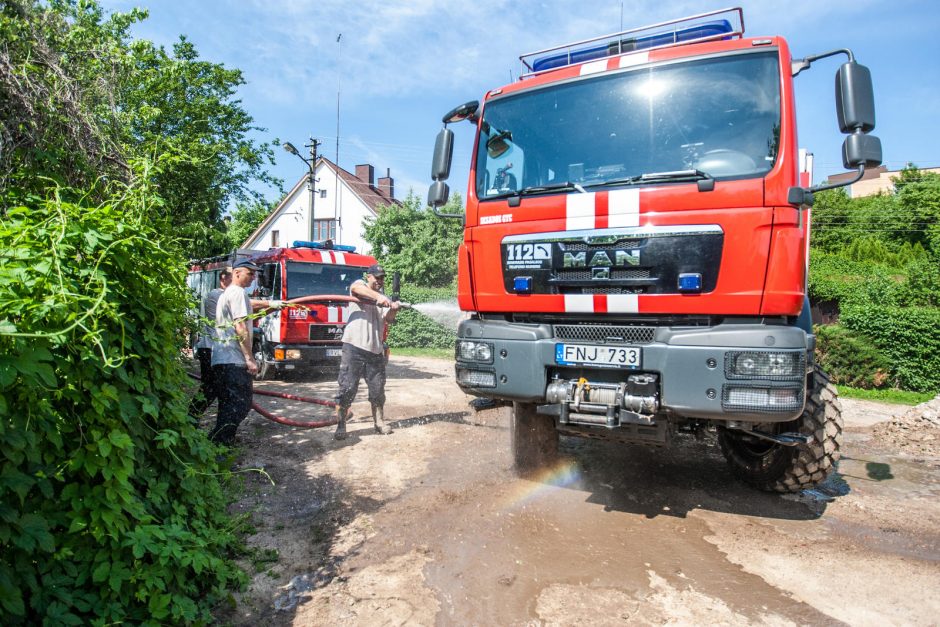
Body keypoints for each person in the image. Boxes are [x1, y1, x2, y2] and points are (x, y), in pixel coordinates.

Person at [208, 259, 281, 444]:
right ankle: (220, 443)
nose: (254, 277)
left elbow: (252, 308)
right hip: (233, 360)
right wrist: (249, 358)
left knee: (228, 406)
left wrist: (271, 305)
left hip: (222, 360)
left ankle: (219, 442)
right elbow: (241, 326)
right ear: (237, 273)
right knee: (239, 405)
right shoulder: (238, 293)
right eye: (250, 273)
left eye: (255, 274)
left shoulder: (230, 293)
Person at [334, 264, 400, 440]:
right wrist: (379, 297)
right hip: (353, 347)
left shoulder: (383, 298)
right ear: (368, 276)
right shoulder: (359, 286)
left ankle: (379, 422)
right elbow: (357, 288)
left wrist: (393, 309)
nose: (379, 281)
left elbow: (390, 319)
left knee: (378, 390)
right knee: (347, 388)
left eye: (382, 278)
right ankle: (341, 425)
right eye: (376, 277)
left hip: (375, 350)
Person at [189, 268, 231, 419]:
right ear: (223, 279)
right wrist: (271, 303)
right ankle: (191, 418)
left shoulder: (227, 295)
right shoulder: (217, 295)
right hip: (209, 348)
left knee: (220, 390)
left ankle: (217, 427)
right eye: (233, 279)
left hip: (217, 349)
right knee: (209, 388)